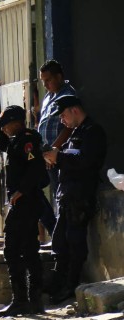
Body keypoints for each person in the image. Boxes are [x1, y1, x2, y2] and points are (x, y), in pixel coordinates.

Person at [43, 95, 107, 304]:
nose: (62, 120)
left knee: (75, 241)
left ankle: (71, 286)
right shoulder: (74, 133)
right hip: (67, 195)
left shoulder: (92, 132)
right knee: (60, 242)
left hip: (81, 196)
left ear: (75, 110)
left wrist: (58, 157)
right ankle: (58, 283)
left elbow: (86, 161)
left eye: (63, 115)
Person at [0, 106, 49, 316]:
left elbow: (36, 169)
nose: (4, 128)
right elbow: (3, 143)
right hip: (24, 202)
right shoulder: (16, 141)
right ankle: (32, 301)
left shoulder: (27, 140)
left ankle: (22, 300)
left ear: (17, 122)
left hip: (26, 201)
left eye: (7, 124)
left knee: (14, 249)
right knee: (28, 249)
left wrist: (20, 192)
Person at [37, 60, 77, 235]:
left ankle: (62, 237)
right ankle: (55, 232)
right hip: (45, 155)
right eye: (43, 81)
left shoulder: (67, 95)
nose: (45, 85)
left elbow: (69, 127)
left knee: (60, 197)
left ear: (59, 77)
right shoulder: (48, 97)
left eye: (48, 80)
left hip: (59, 155)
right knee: (34, 191)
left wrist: (54, 150)